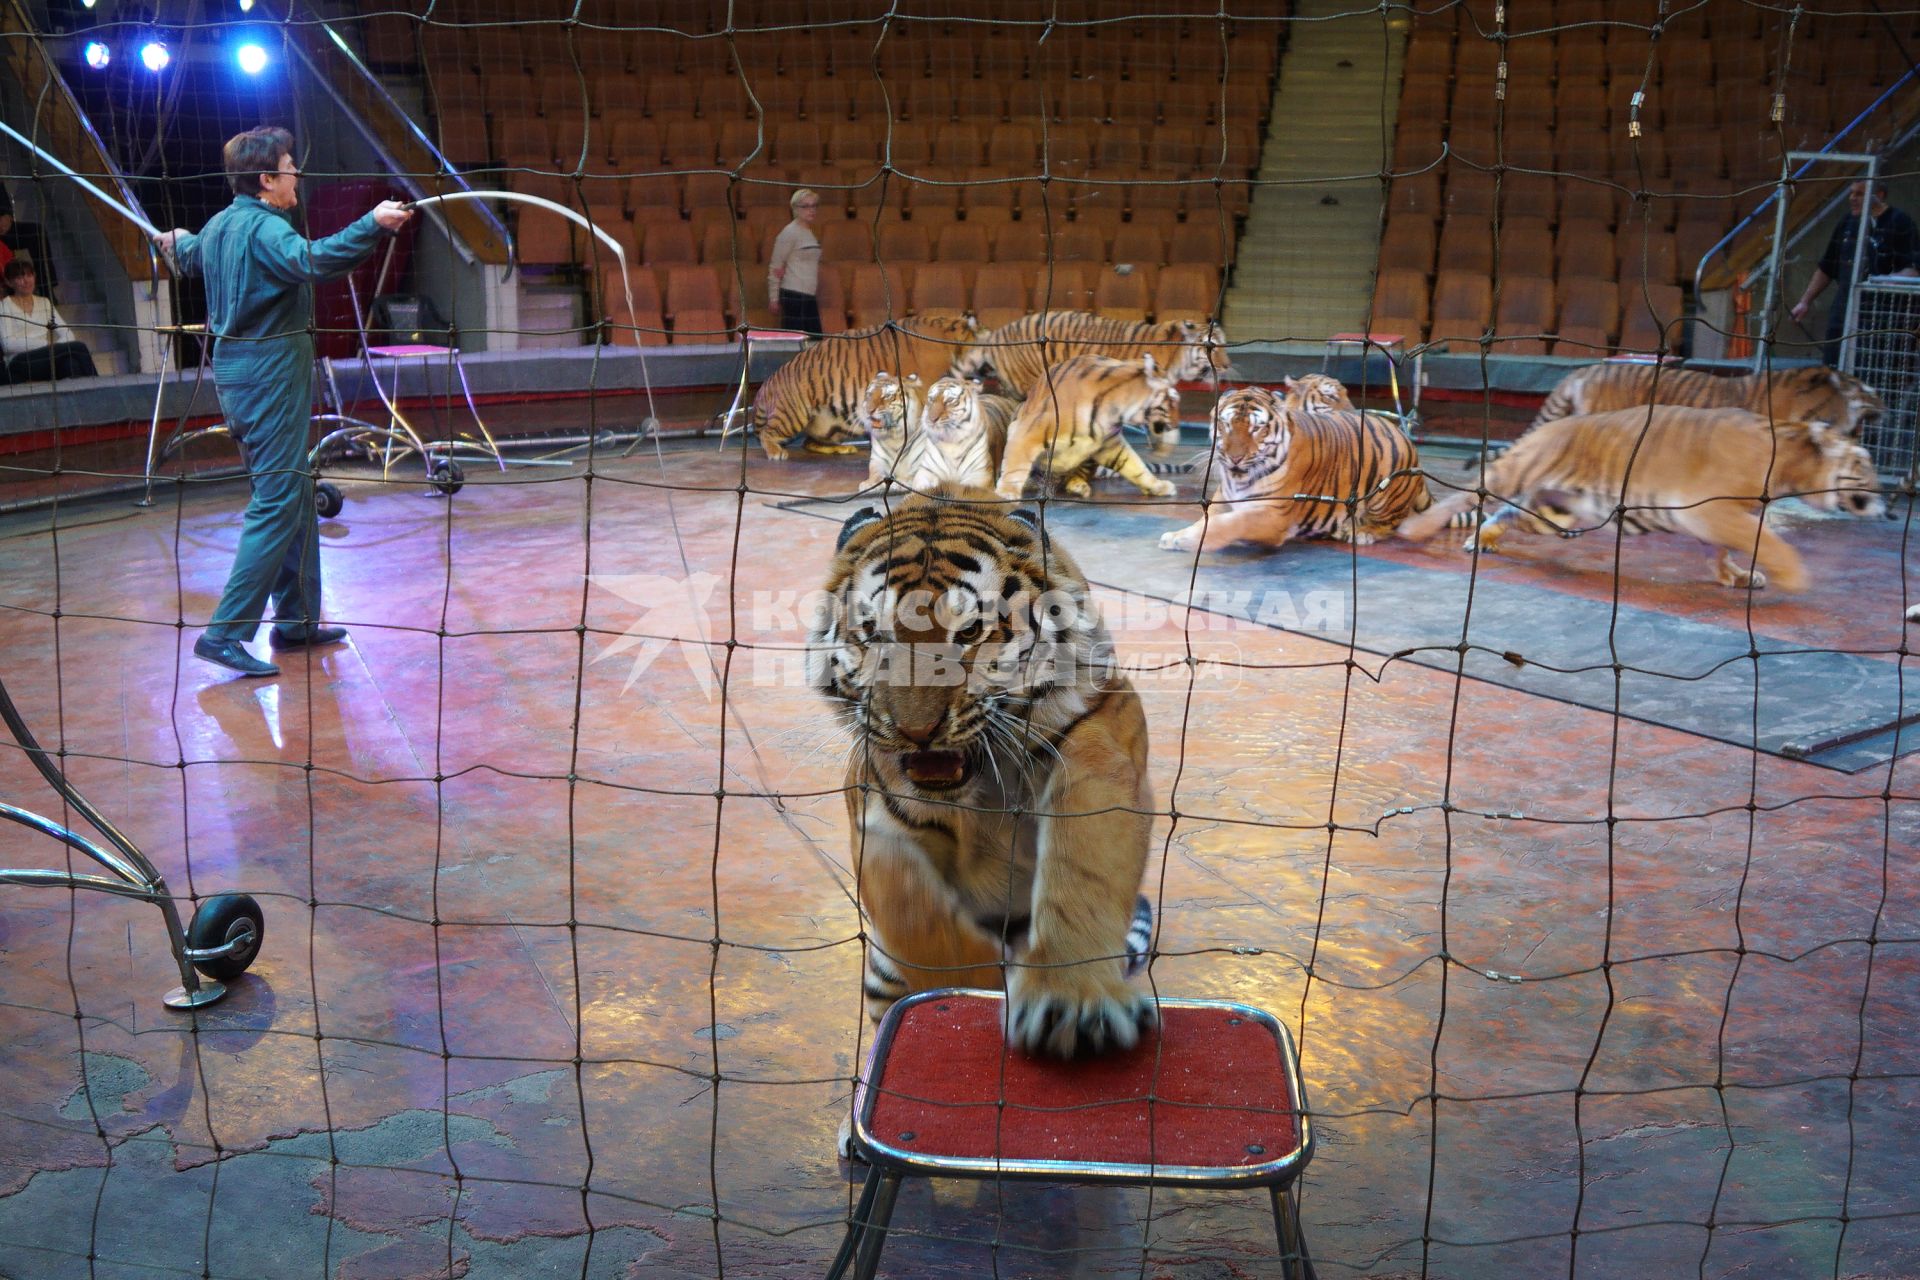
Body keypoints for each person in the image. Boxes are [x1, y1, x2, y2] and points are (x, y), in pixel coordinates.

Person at [153, 127, 412, 678]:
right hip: (268, 375)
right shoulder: (268, 229)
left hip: (241, 373)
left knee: (293, 490)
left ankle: (295, 621)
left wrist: (175, 241)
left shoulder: (221, 224)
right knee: (276, 498)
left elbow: (194, 255)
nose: (297, 175)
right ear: (267, 179)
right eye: (290, 167)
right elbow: (314, 261)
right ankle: (224, 634)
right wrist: (373, 224)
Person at [1789, 179, 1920, 366]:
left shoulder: (1900, 222)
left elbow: (1913, 270)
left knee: (1869, 369)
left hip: (1879, 316)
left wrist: (1883, 282)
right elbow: (1827, 266)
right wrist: (1805, 301)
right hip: (1844, 309)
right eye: (1851, 193)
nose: (1852, 198)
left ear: (1879, 195)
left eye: (1859, 194)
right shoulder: (1848, 222)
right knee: (1834, 366)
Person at [0, 258, 97, 384]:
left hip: (47, 357)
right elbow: (8, 345)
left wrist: (53, 348)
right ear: (9, 282)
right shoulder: (3, 306)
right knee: (79, 347)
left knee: (71, 364)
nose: (26, 281)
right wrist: (45, 345)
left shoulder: (44, 302)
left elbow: (68, 334)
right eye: (19, 277)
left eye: (29, 275)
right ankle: (100, 389)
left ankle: (83, 401)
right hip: (19, 361)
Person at [766, 187, 823, 335]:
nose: (811, 210)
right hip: (793, 293)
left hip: (808, 293)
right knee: (798, 342)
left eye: (814, 206)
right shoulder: (789, 232)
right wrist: (773, 298)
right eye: (805, 206)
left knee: (813, 342)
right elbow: (776, 266)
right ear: (795, 209)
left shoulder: (808, 231)